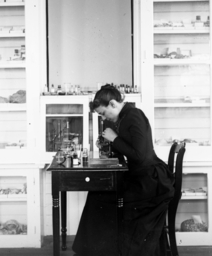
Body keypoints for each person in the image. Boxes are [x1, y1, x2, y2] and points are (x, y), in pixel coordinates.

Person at [72, 84, 175, 256]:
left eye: (104, 113)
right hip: (142, 178)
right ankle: (96, 250)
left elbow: (140, 156)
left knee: (99, 197)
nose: (105, 118)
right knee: (97, 194)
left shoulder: (134, 116)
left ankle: (95, 251)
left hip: (151, 182)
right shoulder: (125, 117)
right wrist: (109, 143)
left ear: (112, 104)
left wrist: (115, 138)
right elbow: (130, 148)